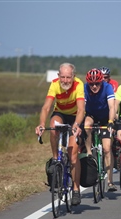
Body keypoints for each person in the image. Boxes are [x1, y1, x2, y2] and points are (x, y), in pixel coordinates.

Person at [35, 63, 85, 206]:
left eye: (68, 77)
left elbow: (81, 110)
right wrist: (41, 124)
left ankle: (76, 190)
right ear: (58, 76)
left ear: (73, 77)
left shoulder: (79, 85)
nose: (65, 80)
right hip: (61, 113)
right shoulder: (55, 84)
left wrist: (76, 125)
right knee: (53, 126)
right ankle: (56, 159)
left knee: (73, 155)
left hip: (76, 117)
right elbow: (46, 107)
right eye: (62, 77)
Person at [84, 68, 117, 192]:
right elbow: (81, 106)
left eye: (97, 83)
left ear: (101, 82)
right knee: (86, 125)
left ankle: (110, 181)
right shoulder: (85, 88)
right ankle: (89, 153)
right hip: (91, 114)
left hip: (105, 117)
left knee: (107, 149)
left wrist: (110, 122)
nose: (94, 86)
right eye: (91, 84)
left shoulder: (107, 87)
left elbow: (112, 107)